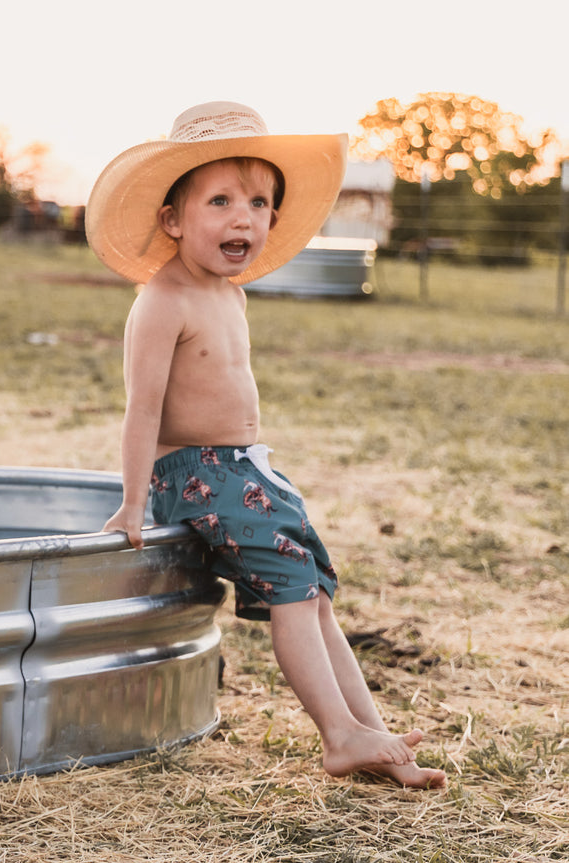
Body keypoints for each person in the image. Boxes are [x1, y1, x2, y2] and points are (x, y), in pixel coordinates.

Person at [87, 102, 446, 789]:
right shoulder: (161, 300)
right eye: (219, 200)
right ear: (172, 218)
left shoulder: (227, 293)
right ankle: (337, 734)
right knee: (291, 590)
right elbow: (142, 410)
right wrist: (132, 500)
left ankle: (366, 727)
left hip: (244, 471)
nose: (243, 217)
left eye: (258, 201)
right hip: (195, 474)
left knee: (310, 594)